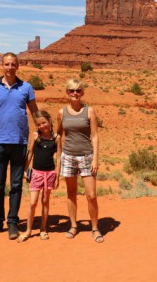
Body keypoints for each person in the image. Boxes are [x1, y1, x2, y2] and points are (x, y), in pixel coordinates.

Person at [0, 52, 38, 240]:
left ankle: (12, 222)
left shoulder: (26, 87)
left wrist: (43, 134)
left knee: (15, 185)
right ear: (2, 66)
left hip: (19, 143)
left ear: (18, 66)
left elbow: (35, 112)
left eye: (13, 64)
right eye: (7, 64)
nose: (10, 67)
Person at [56, 79, 104, 243]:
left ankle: (95, 227)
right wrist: (59, 157)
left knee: (91, 195)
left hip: (86, 156)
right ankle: (74, 225)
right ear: (67, 92)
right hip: (68, 156)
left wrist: (95, 159)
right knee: (71, 193)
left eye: (78, 90)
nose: (74, 93)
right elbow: (58, 136)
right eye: (71, 90)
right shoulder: (61, 113)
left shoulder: (89, 111)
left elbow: (95, 136)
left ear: (82, 92)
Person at [17, 110, 62, 242]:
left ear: (49, 121)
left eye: (44, 122)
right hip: (36, 173)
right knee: (32, 203)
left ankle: (43, 229)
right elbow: (30, 154)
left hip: (50, 173)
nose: (42, 126)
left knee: (45, 201)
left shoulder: (56, 138)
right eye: (39, 124)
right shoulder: (36, 137)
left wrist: (57, 176)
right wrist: (26, 170)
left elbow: (59, 157)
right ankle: (28, 230)